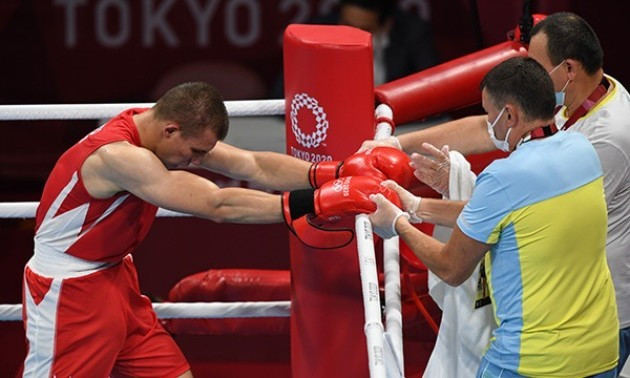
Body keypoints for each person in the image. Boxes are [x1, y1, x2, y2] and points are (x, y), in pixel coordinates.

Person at [21, 82, 405, 377]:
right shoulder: (118, 157)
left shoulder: (158, 128)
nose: (197, 162)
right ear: (171, 130)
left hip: (117, 279)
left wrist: (332, 173)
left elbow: (252, 165)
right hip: (69, 294)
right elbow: (215, 203)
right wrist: (317, 202)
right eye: (195, 153)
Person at [362, 12, 630, 375]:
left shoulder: (602, 141)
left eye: (536, 65)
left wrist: (398, 222)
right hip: (594, 346)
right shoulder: (578, 135)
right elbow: (509, 192)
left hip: (549, 345)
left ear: (567, 69)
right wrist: (410, 184)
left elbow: (454, 265)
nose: (532, 76)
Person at [270, 0, 438, 98]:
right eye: (347, 25)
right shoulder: (315, 31)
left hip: (397, 127)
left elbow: (432, 95)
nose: (352, 35)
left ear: (386, 26)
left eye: (364, 29)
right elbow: (282, 94)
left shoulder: (413, 33)